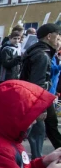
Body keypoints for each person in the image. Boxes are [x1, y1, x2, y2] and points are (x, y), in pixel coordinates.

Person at [21, 23, 61, 159]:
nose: (60, 41)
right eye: (59, 37)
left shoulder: (41, 52)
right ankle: (36, 162)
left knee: (51, 126)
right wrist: (40, 108)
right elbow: (37, 83)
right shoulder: (41, 55)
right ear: (49, 36)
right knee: (36, 131)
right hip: (37, 98)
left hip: (42, 98)